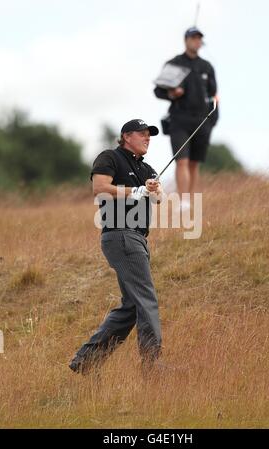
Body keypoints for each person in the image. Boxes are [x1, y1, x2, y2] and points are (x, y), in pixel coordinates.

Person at [69, 119, 163, 376]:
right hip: (121, 235)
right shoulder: (110, 157)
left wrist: (153, 190)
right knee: (146, 299)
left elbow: (158, 198)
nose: (147, 138)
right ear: (126, 136)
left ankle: (86, 361)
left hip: (138, 239)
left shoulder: (146, 168)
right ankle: (152, 365)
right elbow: (99, 188)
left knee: (132, 306)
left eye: (150, 135)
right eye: (142, 134)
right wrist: (136, 191)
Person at [154, 26, 219, 206]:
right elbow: (158, 90)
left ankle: (190, 202)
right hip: (179, 120)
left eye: (199, 38)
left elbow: (214, 94)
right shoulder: (174, 63)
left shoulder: (207, 67)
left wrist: (213, 119)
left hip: (202, 120)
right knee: (181, 160)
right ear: (186, 40)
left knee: (194, 163)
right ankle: (182, 202)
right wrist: (172, 94)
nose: (196, 41)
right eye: (193, 38)